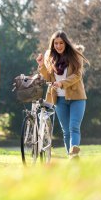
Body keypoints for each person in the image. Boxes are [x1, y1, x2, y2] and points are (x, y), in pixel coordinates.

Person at [36, 31, 89, 159]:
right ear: (53, 45)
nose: (58, 46)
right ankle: (71, 157)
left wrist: (62, 83)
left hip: (77, 98)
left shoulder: (76, 56)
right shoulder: (51, 57)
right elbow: (48, 77)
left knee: (74, 128)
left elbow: (77, 75)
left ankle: (74, 152)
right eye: (56, 43)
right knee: (66, 132)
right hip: (59, 99)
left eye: (61, 43)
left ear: (66, 43)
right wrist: (42, 65)